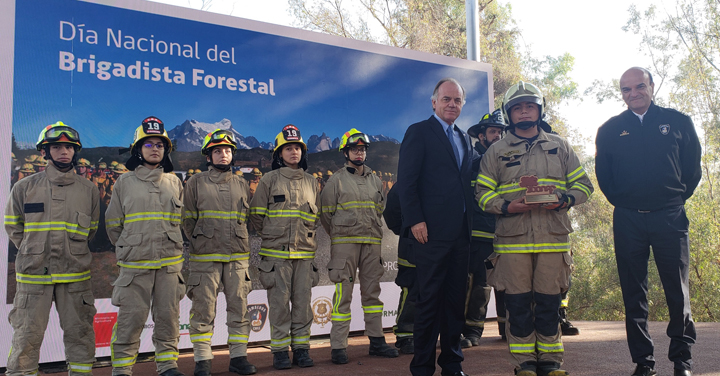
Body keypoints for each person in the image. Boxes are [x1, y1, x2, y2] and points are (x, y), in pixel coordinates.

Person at [476, 81, 593, 376]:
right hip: (512, 241)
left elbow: (584, 185)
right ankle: (524, 363)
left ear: (539, 110)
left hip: (553, 239)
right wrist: (506, 207)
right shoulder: (496, 152)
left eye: (530, 106)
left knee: (548, 304)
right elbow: (483, 193)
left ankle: (552, 362)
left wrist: (565, 200)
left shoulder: (560, 146)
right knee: (517, 306)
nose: (524, 111)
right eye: (518, 107)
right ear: (510, 113)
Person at [595, 67, 701, 376]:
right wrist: (625, 202)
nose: (633, 93)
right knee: (633, 293)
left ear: (651, 86)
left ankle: (682, 361)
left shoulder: (679, 122)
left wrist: (673, 198)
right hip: (628, 219)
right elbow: (605, 176)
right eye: (626, 89)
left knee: (677, 291)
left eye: (639, 86)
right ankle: (644, 362)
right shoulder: (610, 129)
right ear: (622, 94)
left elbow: (692, 170)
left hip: (670, 216)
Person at [4, 122, 100, 376]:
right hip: (34, 277)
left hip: (75, 276)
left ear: (75, 151)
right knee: (26, 337)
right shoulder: (24, 187)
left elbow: (92, 228)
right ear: (45, 152)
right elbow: (14, 227)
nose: (63, 152)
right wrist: (33, 251)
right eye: (56, 147)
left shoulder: (88, 189)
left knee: (80, 334)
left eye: (68, 147)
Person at [397, 78, 478, 376]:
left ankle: (452, 365)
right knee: (429, 302)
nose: (452, 104)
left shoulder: (465, 139)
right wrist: (415, 219)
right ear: (434, 102)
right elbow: (406, 182)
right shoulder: (419, 132)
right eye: (446, 99)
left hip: (460, 235)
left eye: (457, 100)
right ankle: (421, 367)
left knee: (456, 303)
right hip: (429, 234)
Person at [105, 116, 186, 376]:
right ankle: (122, 369)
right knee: (130, 320)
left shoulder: (174, 182)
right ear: (138, 150)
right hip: (135, 265)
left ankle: (167, 365)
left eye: (159, 145)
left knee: (168, 319)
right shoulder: (124, 183)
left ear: (166, 151)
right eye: (148, 144)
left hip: (168, 266)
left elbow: (180, 221)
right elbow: (113, 225)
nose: (154, 149)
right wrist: (131, 247)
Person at [320, 129, 399, 365]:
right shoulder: (336, 181)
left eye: (362, 149)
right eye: (354, 149)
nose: (359, 152)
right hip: (345, 246)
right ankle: (338, 346)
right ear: (346, 152)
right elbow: (326, 215)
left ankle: (376, 342)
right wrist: (340, 236)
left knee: (372, 294)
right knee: (343, 296)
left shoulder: (375, 180)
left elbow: (380, 209)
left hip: (371, 244)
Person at [182, 129, 257, 376]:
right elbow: (187, 220)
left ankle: (238, 357)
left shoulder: (242, 184)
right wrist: (202, 240)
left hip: (237, 257)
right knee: (203, 310)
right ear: (208, 156)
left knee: (239, 308)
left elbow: (246, 219)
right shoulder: (195, 183)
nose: (223, 155)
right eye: (217, 151)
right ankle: (203, 360)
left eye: (227, 151)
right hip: (205, 258)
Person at [249, 124, 320, 370]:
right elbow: (257, 216)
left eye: (297, 148)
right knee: (279, 306)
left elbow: (316, 217)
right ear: (279, 154)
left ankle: (301, 350)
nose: (293, 153)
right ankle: (279, 352)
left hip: (304, 256)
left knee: (302, 306)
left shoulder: (312, 182)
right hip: (276, 257)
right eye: (288, 148)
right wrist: (273, 237)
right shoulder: (269, 180)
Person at [462, 109, 505, 348]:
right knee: (478, 283)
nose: (497, 136)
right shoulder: (472, 162)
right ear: (481, 136)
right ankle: (471, 331)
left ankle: (509, 329)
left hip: (506, 233)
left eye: (500, 132)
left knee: (509, 283)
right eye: (492, 132)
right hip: (479, 234)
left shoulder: (507, 161)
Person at [383, 184, 417, 355]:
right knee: (412, 290)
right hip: (411, 245)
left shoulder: (441, 179)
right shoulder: (404, 185)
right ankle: (406, 335)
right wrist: (406, 230)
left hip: (439, 245)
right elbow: (391, 214)